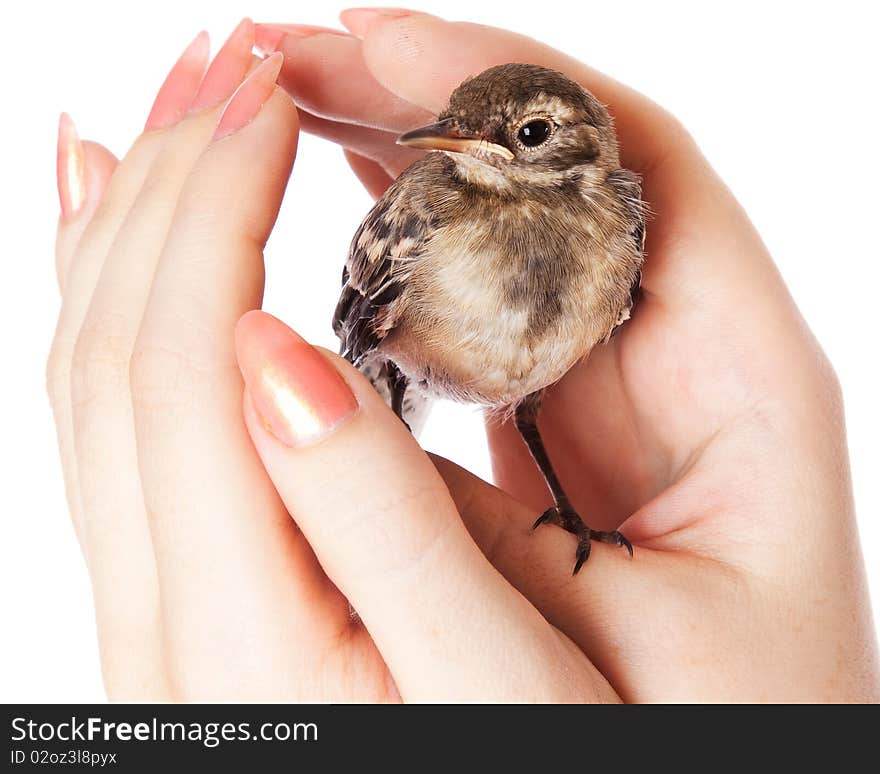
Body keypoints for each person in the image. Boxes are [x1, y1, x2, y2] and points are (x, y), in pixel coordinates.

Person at [47, 9, 880, 702]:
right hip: (403, 363)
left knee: (529, 414)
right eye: (468, 133)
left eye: (527, 136)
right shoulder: (431, 208)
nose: (479, 147)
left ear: (580, 144)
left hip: (535, 387)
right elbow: (361, 318)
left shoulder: (617, 216)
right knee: (384, 421)